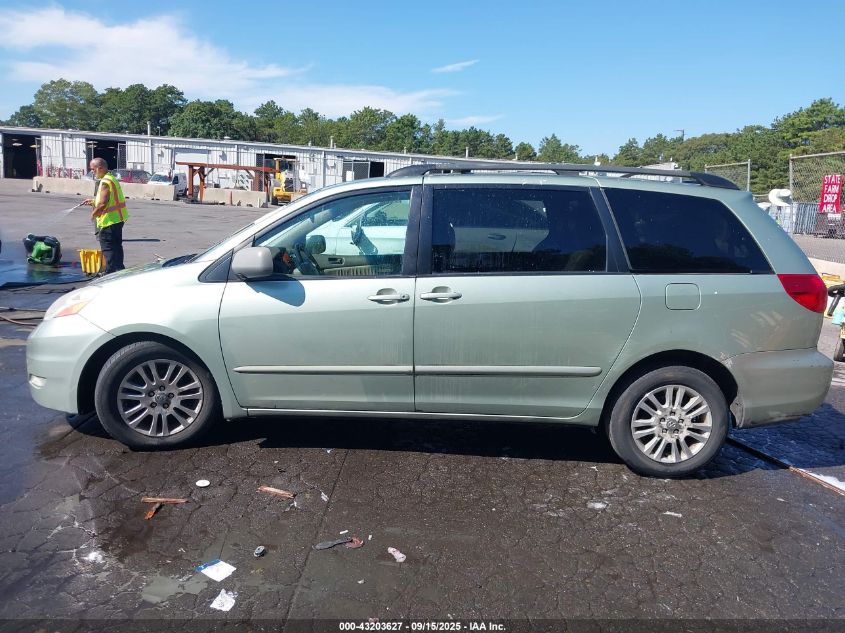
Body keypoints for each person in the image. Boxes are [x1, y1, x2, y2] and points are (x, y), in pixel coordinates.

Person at [83, 158, 129, 274]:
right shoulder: (111, 178)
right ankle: (119, 270)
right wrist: (94, 202)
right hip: (117, 219)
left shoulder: (104, 182)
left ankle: (110, 272)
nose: (92, 172)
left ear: (101, 168)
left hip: (108, 221)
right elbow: (109, 200)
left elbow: (103, 204)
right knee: (117, 247)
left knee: (108, 248)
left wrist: (93, 214)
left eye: (93, 169)